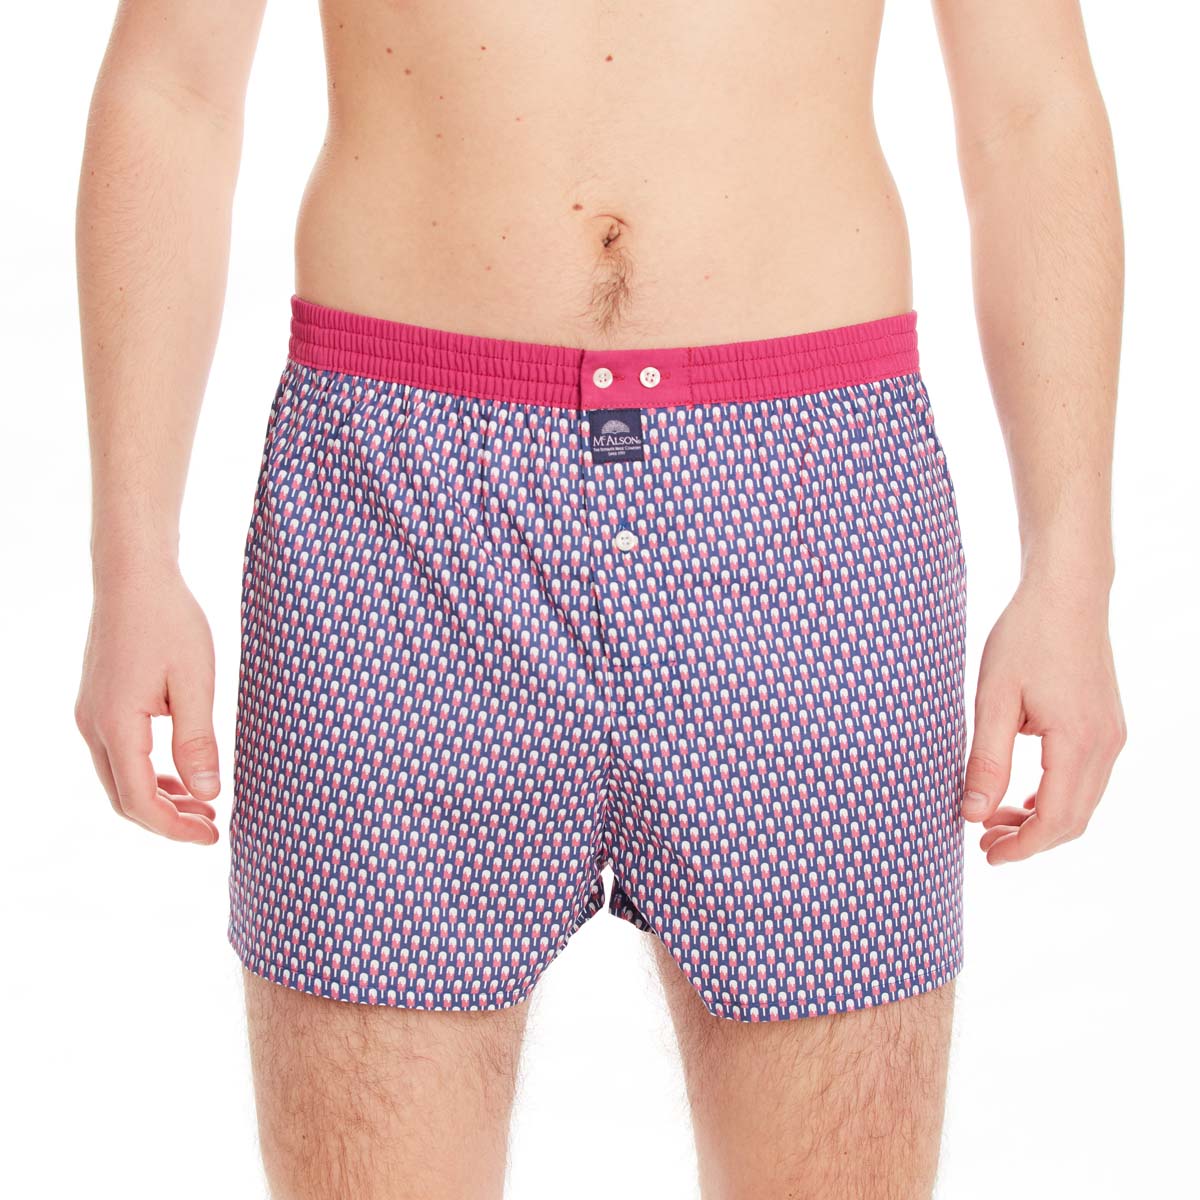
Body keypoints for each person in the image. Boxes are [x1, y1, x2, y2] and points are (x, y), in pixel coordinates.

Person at [72, 1, 1126, 1196]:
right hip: (395, 512)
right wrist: (131, 557)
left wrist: (1071, 571)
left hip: (809, 514)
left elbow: (1031, 113)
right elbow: (172, 89)